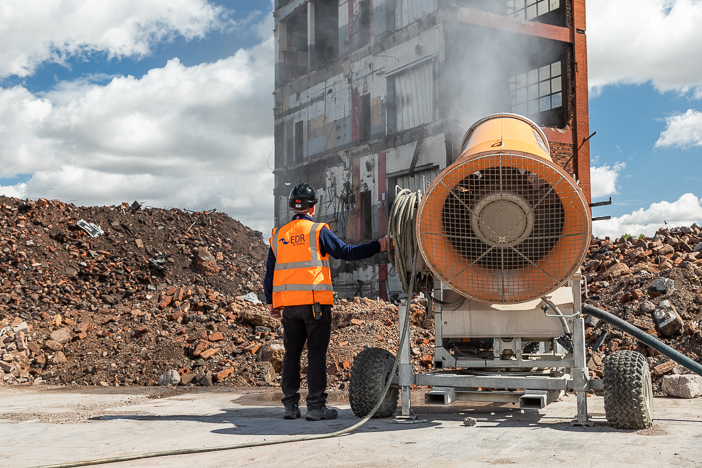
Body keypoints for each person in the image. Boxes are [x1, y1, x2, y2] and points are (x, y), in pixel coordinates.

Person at [263, 182, 387, 421]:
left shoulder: (278, 236)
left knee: (291, 355)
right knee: (316, 356)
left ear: (292, 207)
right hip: (315, 305)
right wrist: (377, 245)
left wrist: (271, 302)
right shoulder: (318, 231)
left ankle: (290, 406)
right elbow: (346, 252)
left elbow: (270, 272)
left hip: (289, 306)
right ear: (313, 208)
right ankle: (316, 407)